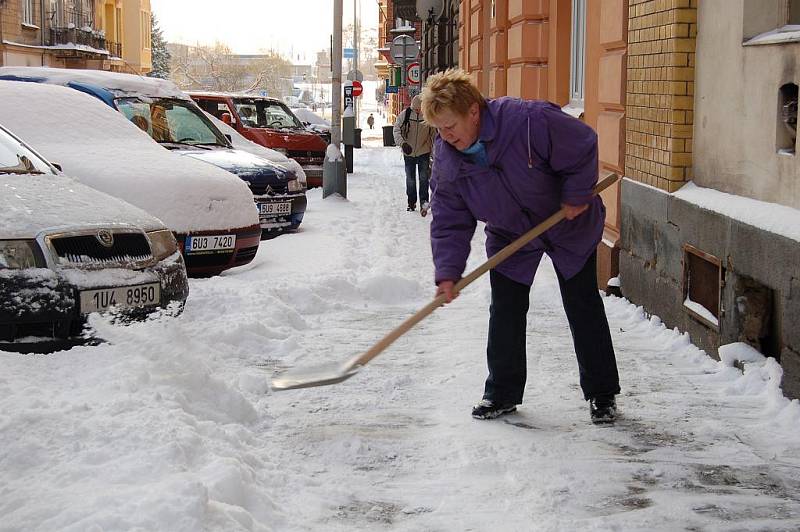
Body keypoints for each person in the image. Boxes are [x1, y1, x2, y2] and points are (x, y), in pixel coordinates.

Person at [421, 69, 620, 424]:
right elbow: (450, 219)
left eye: (450, 125)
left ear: (474, 112)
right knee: (506, 309)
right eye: (439, 128)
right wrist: (448, 272)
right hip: (511, 233)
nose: (446, 135)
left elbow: (583, 144)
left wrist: (576, 195)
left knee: (582, 304)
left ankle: (602, 393)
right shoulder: (449, 160)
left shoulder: (527, 121)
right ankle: (502, 392)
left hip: (567, 222)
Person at [393, 95, 435, 215]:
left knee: (423, 178)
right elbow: (396, 129)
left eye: (419, 109)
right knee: (410, 179)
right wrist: (402, 144)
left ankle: (424, 203)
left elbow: (434, 134)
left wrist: (434, 150)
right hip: (409, 152)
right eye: (416, 109)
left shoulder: (427, 116)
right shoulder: (405, 115)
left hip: (424, 151)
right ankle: (411, 203)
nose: (418, 111)